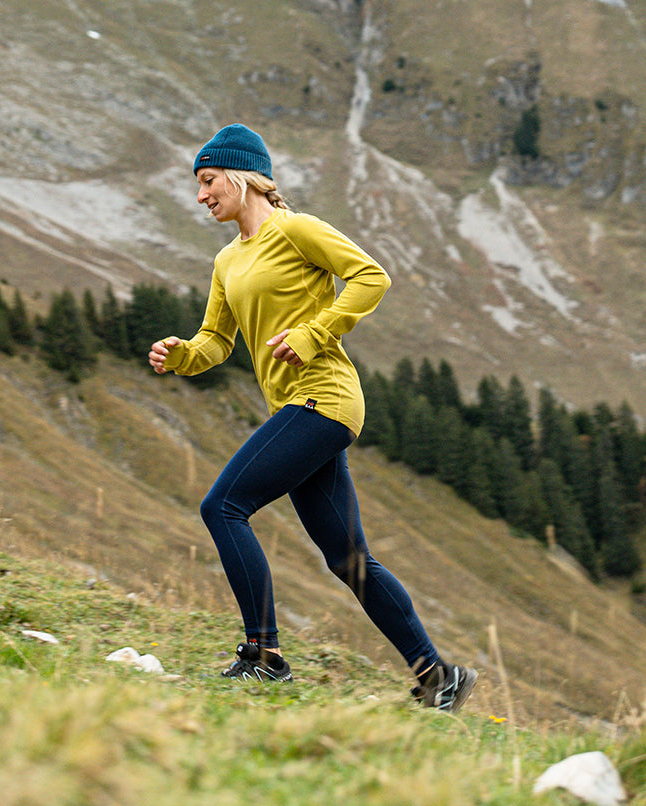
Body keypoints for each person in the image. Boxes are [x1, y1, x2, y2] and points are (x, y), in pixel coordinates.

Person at [148, 123, 477, 712]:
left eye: (208, 180)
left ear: (244, 177)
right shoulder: (227, 260)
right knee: (348, 558)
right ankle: (438, 676)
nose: (201, 195)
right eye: (198, 185)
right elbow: (216, 342)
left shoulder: (294, 229)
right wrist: (181, 356)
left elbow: (372, 276)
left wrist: (314, 329)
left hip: (324, 398)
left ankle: (263, 656)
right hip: (297, 409)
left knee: (222, 507)